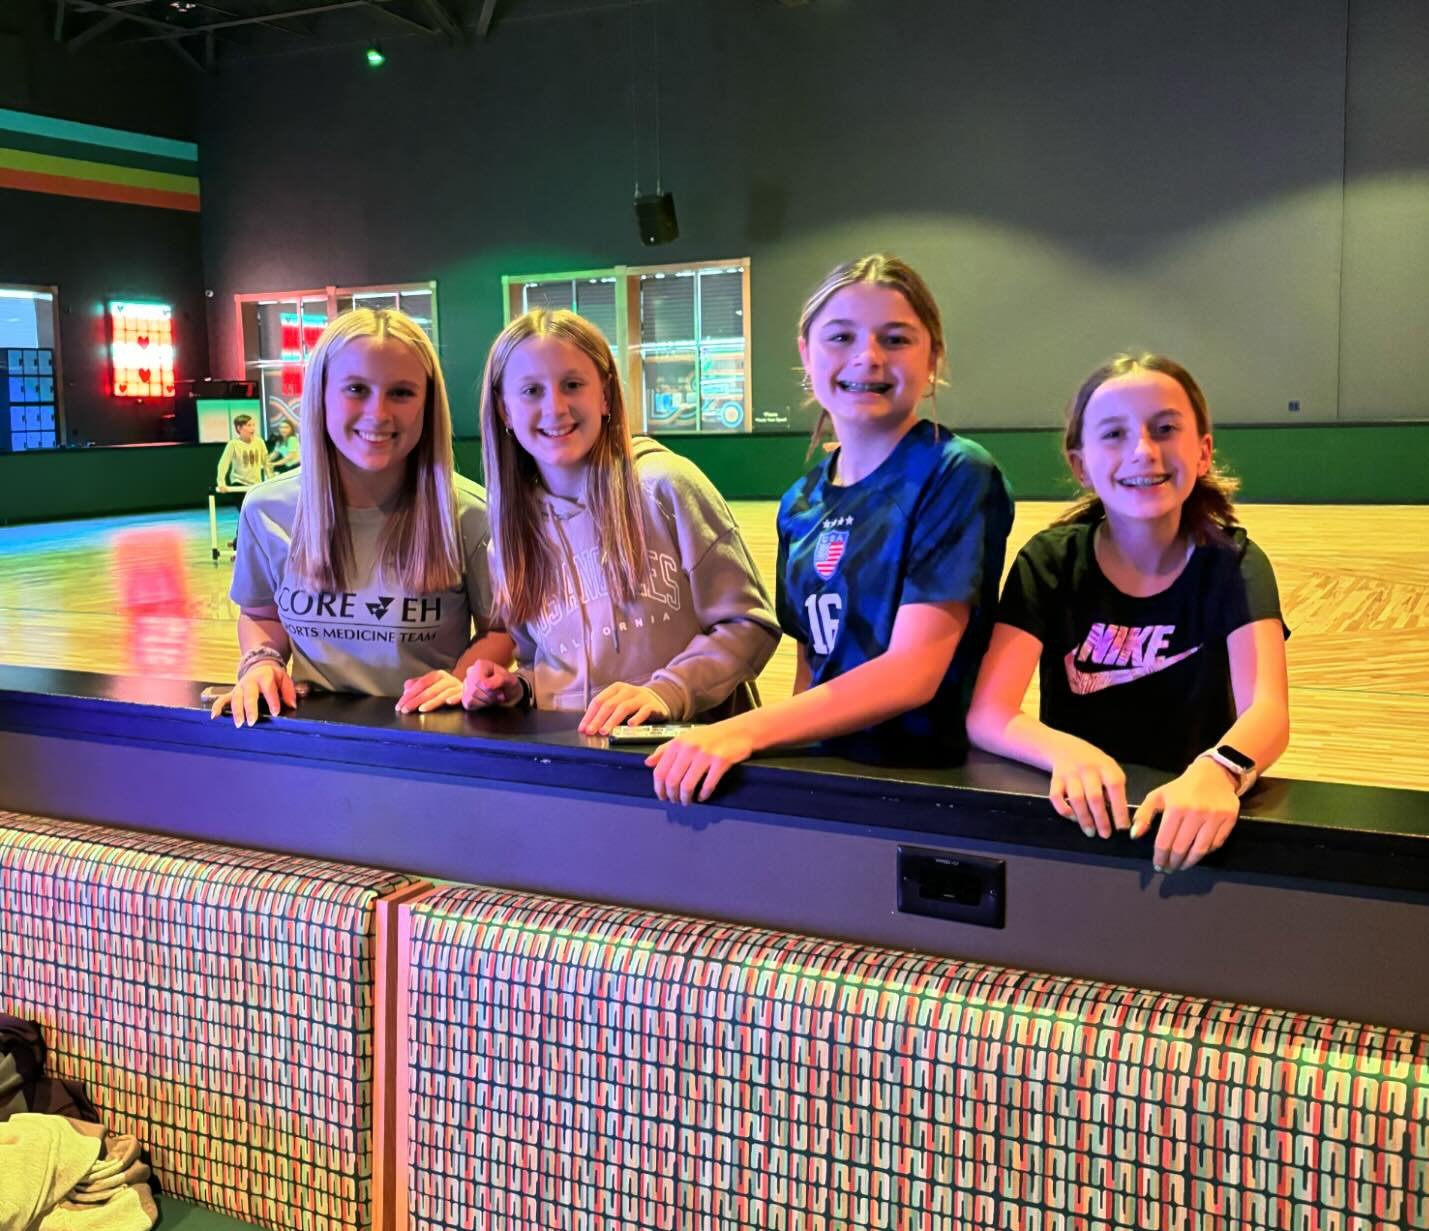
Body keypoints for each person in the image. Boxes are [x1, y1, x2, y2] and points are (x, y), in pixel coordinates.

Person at [645, 254, 1013, 803]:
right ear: (806, 353)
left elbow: (913, 672)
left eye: (896, 339)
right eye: (841, 337)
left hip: (924, 787)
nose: (868, 357)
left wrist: (743, 730)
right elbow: (811, 665)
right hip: (827, 784)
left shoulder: (955, 472)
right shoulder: (800, 502)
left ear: (933, 355)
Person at [965, 352, 1290, 872]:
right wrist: (1066, 753)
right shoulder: (1049, 562)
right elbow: (989, 714)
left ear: (1203, 452)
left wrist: (1219, 770)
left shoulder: (1233, 563)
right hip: (1082, 819)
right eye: (1114, 434)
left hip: (1189, 820)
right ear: (1080, 465)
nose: (1143, 451)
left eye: (1165, 429)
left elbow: (1268, 712)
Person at [461, 309, 779, 734]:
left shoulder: (666, 485)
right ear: (504, 410)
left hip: (686, 756)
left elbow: (751, 625)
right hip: (578, 758)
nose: (555, 407)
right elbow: (545, 665)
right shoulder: (509, 536)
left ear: (605, 395)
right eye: (531, 391)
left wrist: (668, 691)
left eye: (572, 385)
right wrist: (517, 687)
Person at [211, 307, 512, 727]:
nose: (378, 413)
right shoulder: (267, 509)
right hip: (312, 741)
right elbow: (261, 614)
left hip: (430, 737)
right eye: (356, 389)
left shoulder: (471, 514)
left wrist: (461, 680)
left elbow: (501, 630)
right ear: (321, 395)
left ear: (428, 405)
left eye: (402, 393)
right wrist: (261, 662)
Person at [215, 412, 271, 490]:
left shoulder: (259, 442)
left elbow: (266, 462)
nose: (252, 428)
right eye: (249, 425)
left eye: (253, 425)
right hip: (238, 483)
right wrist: (221, 483)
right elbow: (223, 464)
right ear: (239, 428)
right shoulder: (233, 444)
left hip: (256, 484)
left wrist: (271, 479)